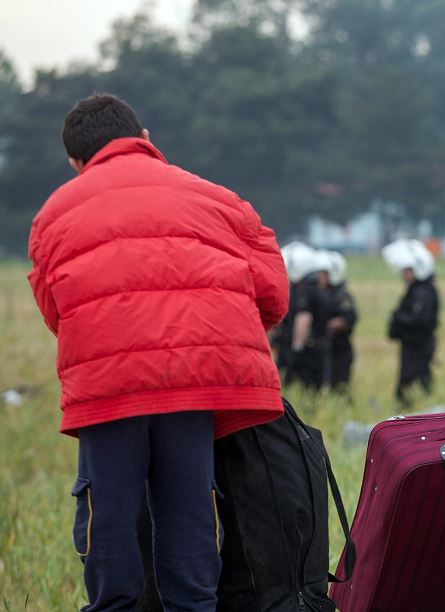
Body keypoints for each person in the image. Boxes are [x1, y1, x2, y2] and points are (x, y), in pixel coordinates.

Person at [27, 93, 289, 611]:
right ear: (145, 139)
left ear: (77, 161)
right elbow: (273, 291)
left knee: (110, 522)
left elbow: (55, 308)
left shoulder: (53, 214)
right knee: (190, 517)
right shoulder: (218, 198)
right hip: (195, 387)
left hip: (109, 392)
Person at [383, 239, 440, 403]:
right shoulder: (417, 290)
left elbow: (421, 320)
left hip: (418, 346)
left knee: (413, 382)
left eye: (408, 270)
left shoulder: (423, 292)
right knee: (416, 381)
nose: (405, 274)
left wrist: (398, 319)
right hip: (411, 345)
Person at [276, 242, 331, 390]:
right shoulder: (314, 287)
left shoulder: (305, 290)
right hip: (317, 349)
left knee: (300, 391)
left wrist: (296, 349)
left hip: (306, 352)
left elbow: (304, 319)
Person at [322, 250, 358, 391]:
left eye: (325, 273)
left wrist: (325, 326)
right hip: (327, 349)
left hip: (340, 350)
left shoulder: (342, 296)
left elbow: (349, 319)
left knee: (339, 387)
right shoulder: (323, 293)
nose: (321, 277)